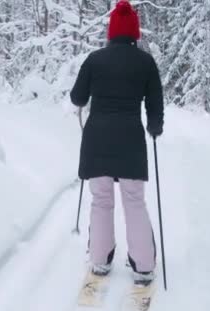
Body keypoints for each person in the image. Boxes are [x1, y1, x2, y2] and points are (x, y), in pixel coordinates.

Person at [70, 0, 164, 287]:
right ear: (135, 33)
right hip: (131, 141)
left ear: (111, 32)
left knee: (101, 200)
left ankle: (99, 259)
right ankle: (143, 266)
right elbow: (155, 105)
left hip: (97, 139)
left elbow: (77, 98)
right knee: (134, 201)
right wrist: (154, 127)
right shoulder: (146, 62)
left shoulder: (94, 59)